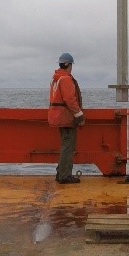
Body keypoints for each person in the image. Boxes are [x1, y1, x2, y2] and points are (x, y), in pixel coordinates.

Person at [47, 52, 84, 184]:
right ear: (68, 64)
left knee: (65, 145)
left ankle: (60, 172)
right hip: (65, 117)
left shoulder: (55, 78)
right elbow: (70, 99)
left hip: (56, 115)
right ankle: (64, 175)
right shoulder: (66, 79)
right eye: (71, 65)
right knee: (68, 146)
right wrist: (79, 115)